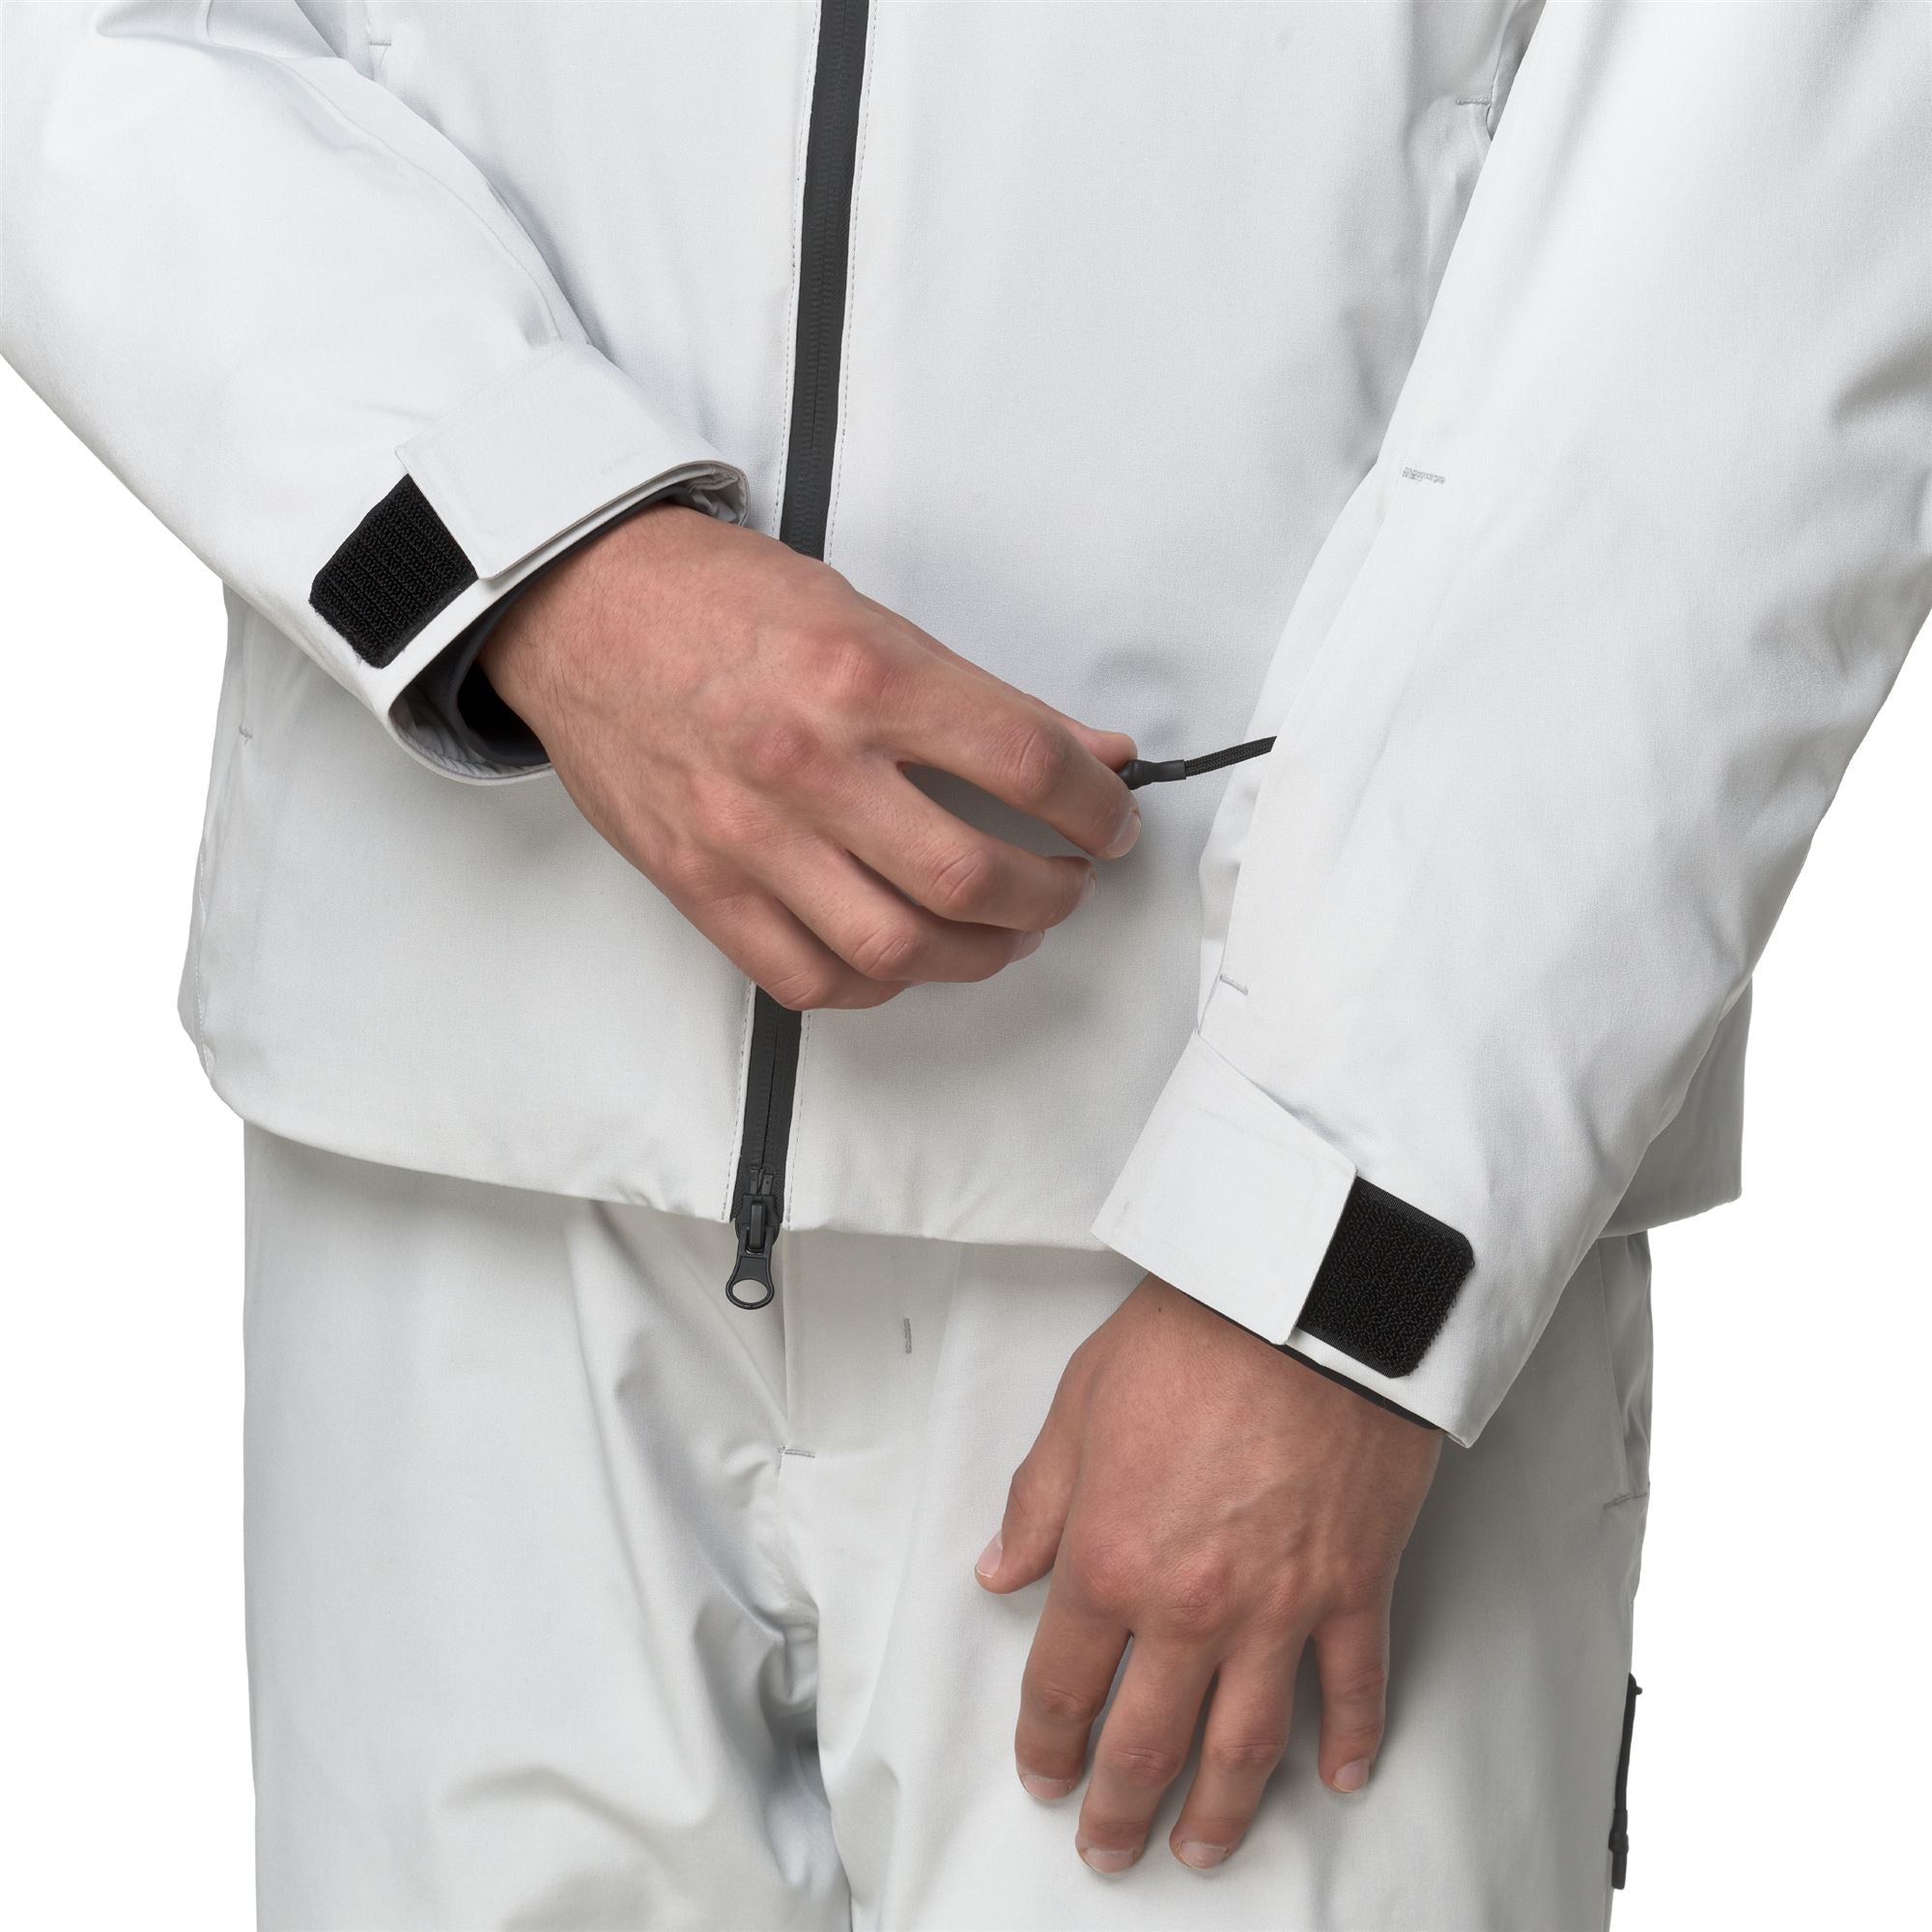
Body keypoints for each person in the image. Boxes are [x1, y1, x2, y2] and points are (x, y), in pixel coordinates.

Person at [4, 2, 1925, 1926]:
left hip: (1206, 1194)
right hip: (456, 1147)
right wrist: (535, 562)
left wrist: (1340, 1253)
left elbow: (1754, 283)